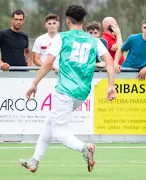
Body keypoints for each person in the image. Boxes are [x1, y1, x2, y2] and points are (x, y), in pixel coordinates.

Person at [19, 5, 116, 173]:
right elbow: (109, 61)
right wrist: (110, 85)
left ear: (68, 20)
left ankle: (84, 148)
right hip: (82, 93)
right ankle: (34, 161)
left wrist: (34, 83)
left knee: (58, 131)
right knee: (50, 123)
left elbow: (48, 63)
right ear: (83, 21)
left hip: (65, 90)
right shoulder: (94, 40)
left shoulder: (61, 37)